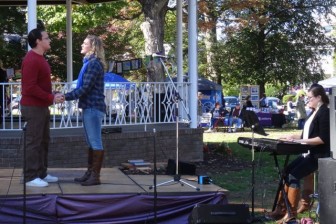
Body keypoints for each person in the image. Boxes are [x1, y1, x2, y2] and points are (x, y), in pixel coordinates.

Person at [266, 83, 330, 223]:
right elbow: (304, 134)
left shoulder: (324, 112)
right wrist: (291, 137)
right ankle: (281, 209)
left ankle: (291, 213)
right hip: (307, 153)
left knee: (293, 175)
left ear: (319, 97)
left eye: (310, 98)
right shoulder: (313, 112)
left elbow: (323, 138)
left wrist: (302, 142)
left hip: (318, 155)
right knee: (286, 172)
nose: (308, 101)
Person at [20, 28, 63, 188]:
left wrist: (53, 94)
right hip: (33, 107)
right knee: (34, 142)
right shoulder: (32, 59)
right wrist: (51, 97)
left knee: (44, 141)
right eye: (46, 38)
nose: (49, 40)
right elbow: (29, 88)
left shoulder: (40, 59)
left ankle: (41, 173)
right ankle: (30, 177)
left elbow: (39, 86)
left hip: (41, 106)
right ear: (38, 41)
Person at [63, 35, 107, 186]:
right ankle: (90, 173)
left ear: (93, 47)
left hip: (93, 107)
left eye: (84, 43)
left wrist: (65, 97)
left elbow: (85, 88)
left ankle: (95, 176)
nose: (82, 44)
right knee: (91, 141)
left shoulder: (93, 64)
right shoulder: (89, 63)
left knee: (95, 141)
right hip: (90, 107)